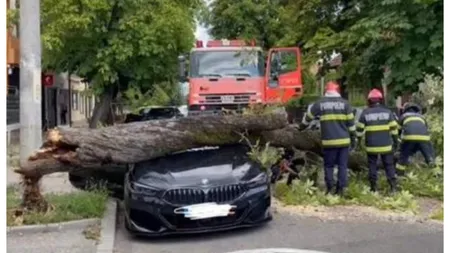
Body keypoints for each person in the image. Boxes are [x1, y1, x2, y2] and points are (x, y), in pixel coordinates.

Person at [298, 81, 356, 195]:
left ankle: (330, 189)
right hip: (344, 141)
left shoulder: (320, 103)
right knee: (342, 166)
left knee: (329, 166)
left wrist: (301, 127)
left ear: (326, 91)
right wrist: (353, 139)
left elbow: (308, 117)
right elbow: (351, 125)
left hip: (329, 141)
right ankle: (341, 190)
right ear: (338, 91)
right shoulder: (346, 104)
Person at [356, 89, 398, 193]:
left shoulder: (365, 113)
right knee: (389, 165)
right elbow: (394, 130)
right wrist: (396, 142)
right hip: (386, 145)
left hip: (371, 145)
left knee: (372, 165)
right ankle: (393, 188)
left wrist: (358, 143)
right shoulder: (388, 112)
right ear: (381, 100)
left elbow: (359, 130)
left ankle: (373, 188)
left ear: (369, 100)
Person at [396, 102, 435, 174]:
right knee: (429, 156)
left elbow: (398, 131)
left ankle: (400, 174)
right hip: (424, 138)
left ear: (406, 109)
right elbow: (425, 128)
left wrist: (399, 142)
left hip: (409, 138)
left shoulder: (404, 116)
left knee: (403, 156)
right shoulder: (421, 117)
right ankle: (435, 173)